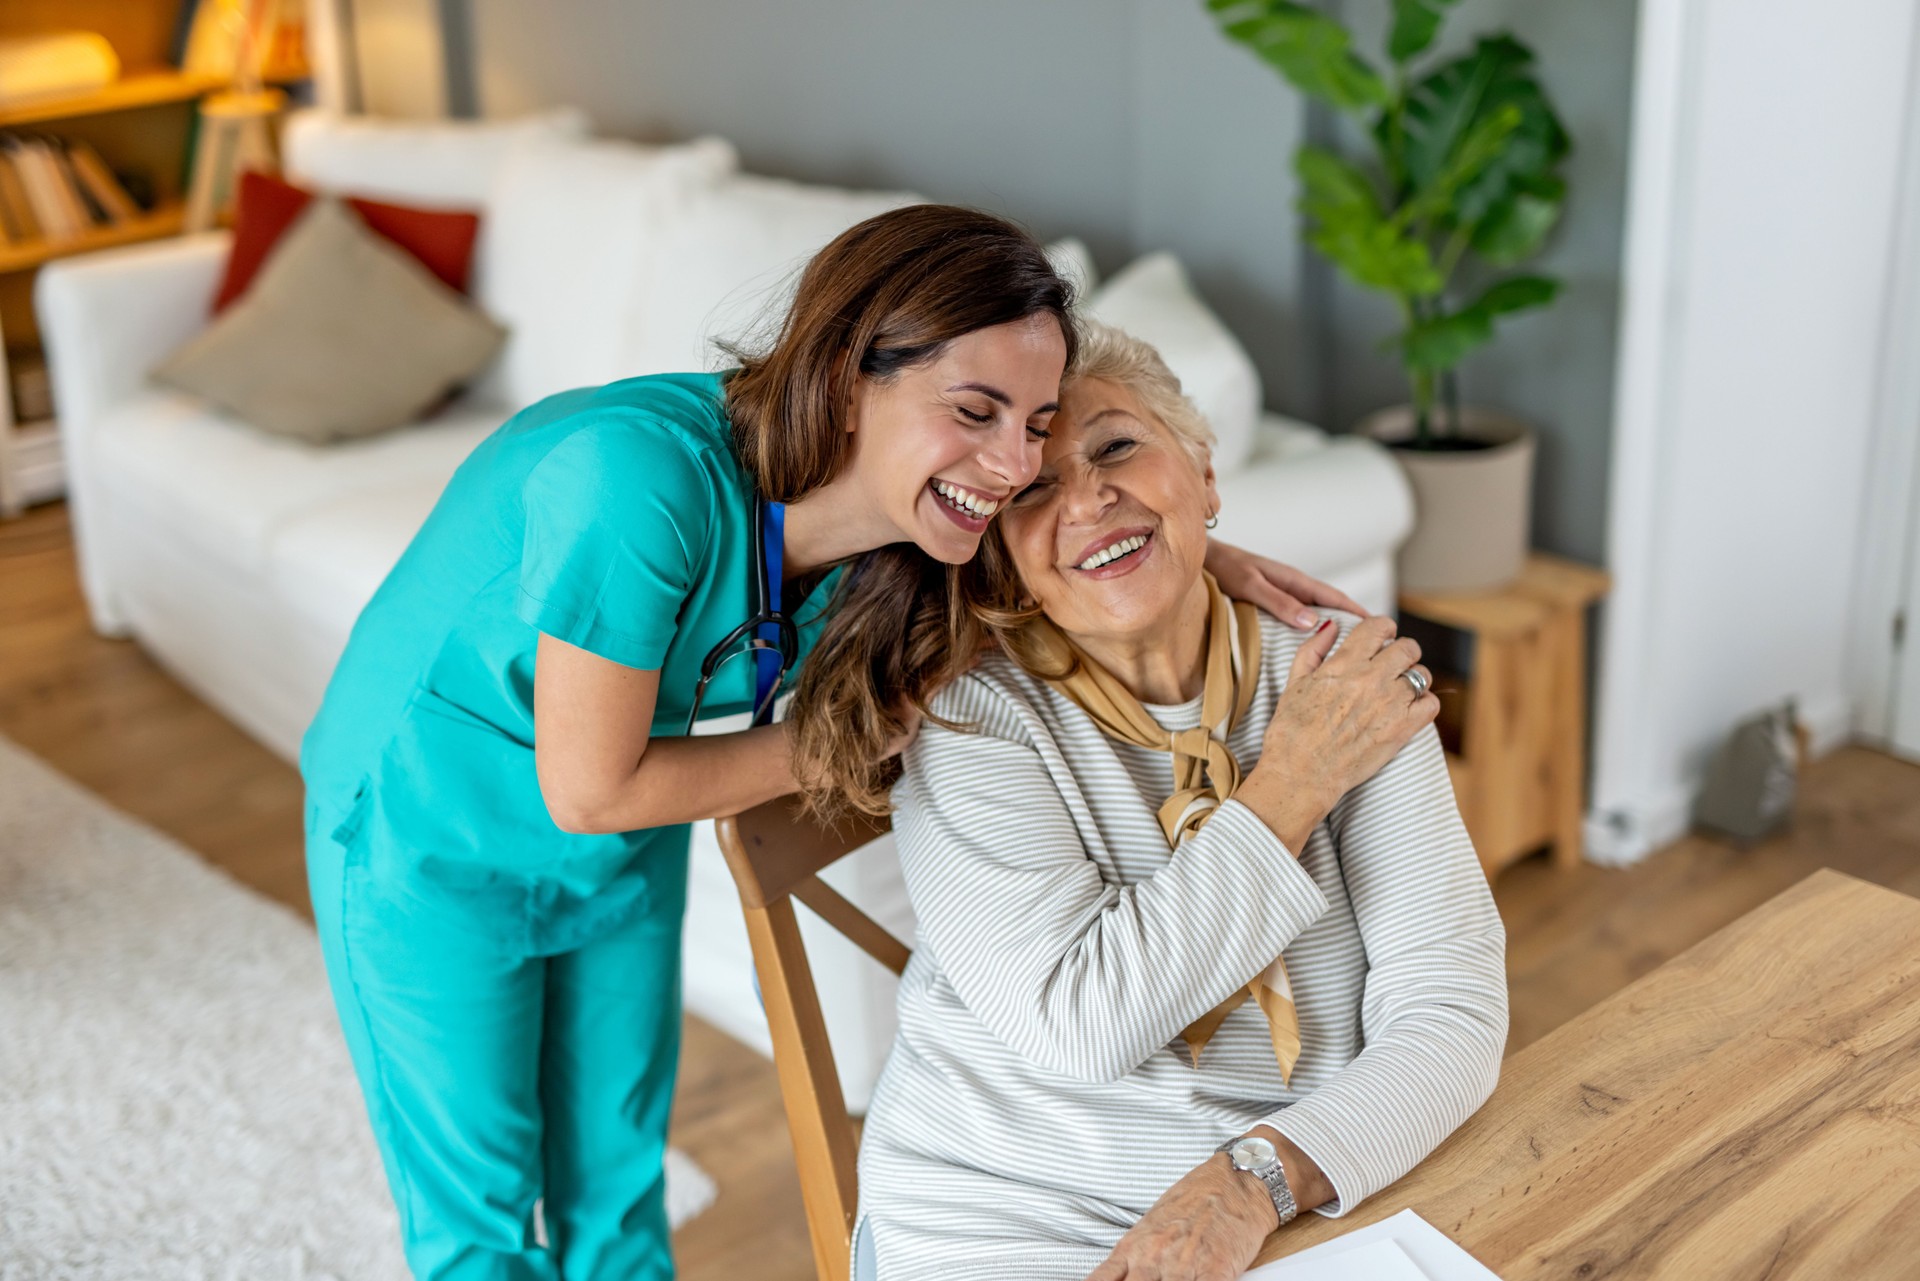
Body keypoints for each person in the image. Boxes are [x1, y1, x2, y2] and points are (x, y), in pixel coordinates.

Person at [300, 205, 1359, 1281]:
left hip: (627, 840)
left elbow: (1086, 536)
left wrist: (1206, 556)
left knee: (618, 1187)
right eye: (977, 410)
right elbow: (588, 788)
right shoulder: (636, 485)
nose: (1011, 465)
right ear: (850, 376)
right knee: (478, 1219)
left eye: (1034, 424)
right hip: (422, 837)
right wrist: (846, 742)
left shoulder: (915, 534)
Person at [825, 321, 1509, 1281]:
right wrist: (1294, 781)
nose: (1092, 498)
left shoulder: (1341, 674)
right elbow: (1081, 1021)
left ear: (1205, 474)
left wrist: (1254, 1180)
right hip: (1001, 1212)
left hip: (1278, 1202)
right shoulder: (972, 718)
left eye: (1117, 447)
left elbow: (1450, 1008)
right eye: (1033, 490)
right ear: (998, 550)